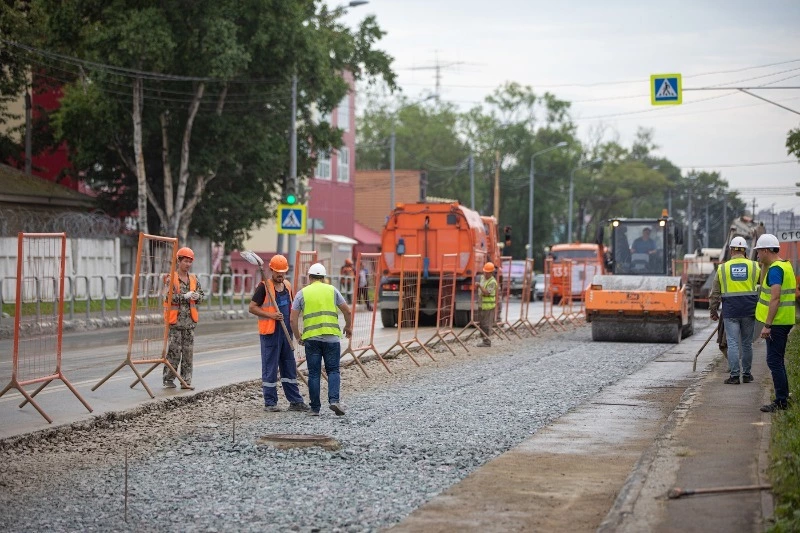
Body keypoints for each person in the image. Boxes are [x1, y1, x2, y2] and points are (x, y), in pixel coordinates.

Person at [248, 254, 309, 413]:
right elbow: (252, 307)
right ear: (271, 270)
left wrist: (296, 330)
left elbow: (292, 308)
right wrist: (271, 315)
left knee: (289, 366)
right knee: (270, 367)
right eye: (277, 272)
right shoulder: (264, 287)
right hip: (270, 333)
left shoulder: (288, 286)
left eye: (283, 272)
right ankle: (270, 403)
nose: (280, 275)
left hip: (286, 332)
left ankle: (295, 401)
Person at [290, 263, 352, 417]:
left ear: (309, 277)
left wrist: (298, 337)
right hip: (331, 338)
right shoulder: (332, 290)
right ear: (324, 277)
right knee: (333, 370)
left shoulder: (302, 293)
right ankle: (334, 401)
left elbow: (292, 319)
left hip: (312, 339)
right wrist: (348, 327)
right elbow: (347, 310)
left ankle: (315, 409)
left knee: (314, 373)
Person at [754, 234, 797, 412]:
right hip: (784, 320)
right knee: (777, 360)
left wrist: (767, 325)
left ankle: (781, 401)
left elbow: (775, 298)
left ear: (765, 250)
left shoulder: (775, 270)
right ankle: (783, 397)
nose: (756, 255)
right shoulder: (784, 266)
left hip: (777, 323)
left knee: (774, 361)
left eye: (758, 252)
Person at [709, 237, 761, 384]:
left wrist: (713, 311)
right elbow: (763, 287)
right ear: (745, 251)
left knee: (732, 343)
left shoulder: (723, 268)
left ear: (731, 250)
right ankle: (746, 374)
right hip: (749, 310)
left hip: (731, 310)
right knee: (746, 343)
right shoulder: (755, 267)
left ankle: (734, 376)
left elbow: (715, 293)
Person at [164, 247, 204, 390]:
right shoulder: (171, 278)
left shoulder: (194, 279)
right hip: (175, 322)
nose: (188, 264)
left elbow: (202, 296)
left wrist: (198, 296)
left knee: (188, 354)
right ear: (179, 261)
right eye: (185, 261)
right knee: (174, 352)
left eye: (190, 262)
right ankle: (169, 379)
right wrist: (184, 296)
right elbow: (168, 297)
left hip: (190, 323)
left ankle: (185, 381)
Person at [476, 262, 498, 347]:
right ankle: (484, 340)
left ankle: (487, 341)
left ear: (491, 273)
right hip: (482, 305)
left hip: (488, 306)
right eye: (484, 272)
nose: (485, 273)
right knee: (482, 324)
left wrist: (479, 286)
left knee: (486, 324)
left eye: (487, 272)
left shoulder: (492, 282)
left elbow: (487, 293)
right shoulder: (482, 278)